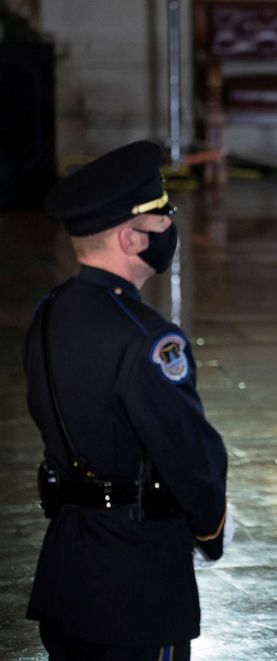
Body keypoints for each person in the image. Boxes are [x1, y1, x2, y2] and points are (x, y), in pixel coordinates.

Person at [24, 140, 230, 661]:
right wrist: (211, 530)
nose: (170, 228)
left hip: (68, 571)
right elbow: (190, 458)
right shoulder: (149, 340)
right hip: (136, 583)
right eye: (161, 218)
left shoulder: (51, 313)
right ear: (128, 237)